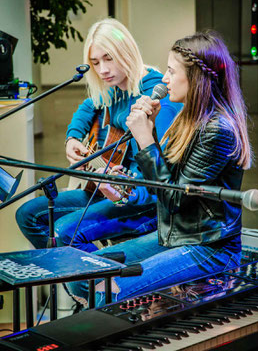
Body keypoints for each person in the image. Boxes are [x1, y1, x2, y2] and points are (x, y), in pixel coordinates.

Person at [66, 30, 252, 309]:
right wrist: (144, 145)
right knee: (84, 274)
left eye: (170, 71)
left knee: (110, 291)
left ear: (195, 78)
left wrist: (144, 139)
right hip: (176, 234)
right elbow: (163, 183)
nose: (164, 79)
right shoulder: (187, 118)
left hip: (208, 248)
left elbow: (174, 198)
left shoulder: (218, 130)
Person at [15, 18, 181, 253]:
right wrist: (72, 138)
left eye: (108, 58)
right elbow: (87, 107)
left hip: (144, 200)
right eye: (95, 62)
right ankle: (86, 272)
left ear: (126, 53)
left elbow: (165, 172)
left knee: (64, 231)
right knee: (27, 214)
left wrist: (124, 186)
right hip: (113, 188)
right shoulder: (115, 88)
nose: (102, 70)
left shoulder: (154, 95)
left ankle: (103, 279)